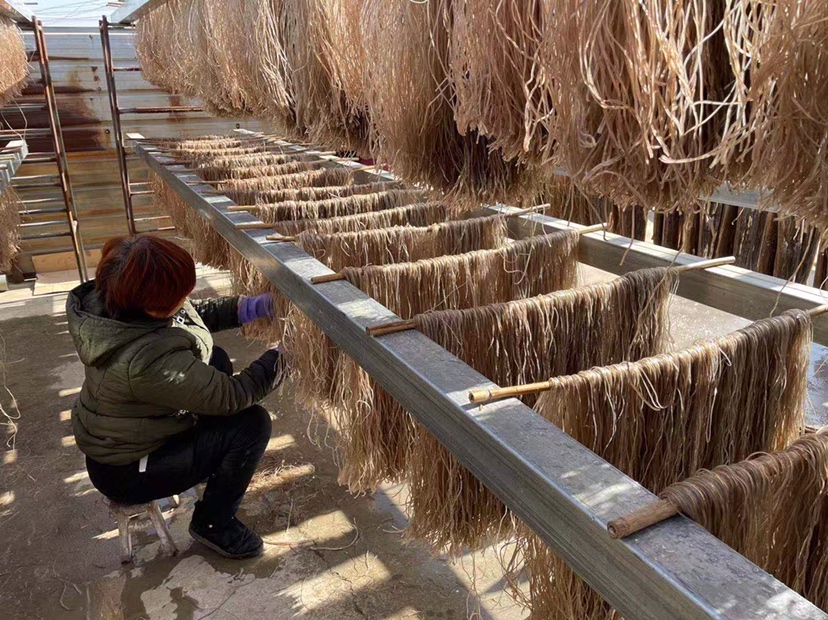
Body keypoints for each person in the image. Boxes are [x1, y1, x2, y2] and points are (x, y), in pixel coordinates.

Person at [66, 235, 287, 559]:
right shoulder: (146, 361)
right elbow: (234, 395)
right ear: (153, 307)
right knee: (250, 425)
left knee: (216, 360)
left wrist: (250, 308)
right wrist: (283, 356)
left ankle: (211, 460)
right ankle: (214, 523)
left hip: (131, 437)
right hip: (129, 470)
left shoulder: (115, 300)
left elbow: (189, 315)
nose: (187, 298)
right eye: (180, 294)